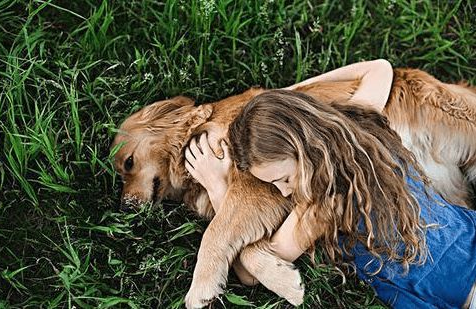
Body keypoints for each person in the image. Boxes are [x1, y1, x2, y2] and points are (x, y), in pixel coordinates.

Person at [184, 60, 476, 308]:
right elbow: (380, 68)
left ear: (300, 149)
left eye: (283, 179)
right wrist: (291, 95)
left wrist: (217, 187)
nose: (284, 192)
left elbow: (251, 273)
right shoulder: (359, 129)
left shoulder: (320, 206)